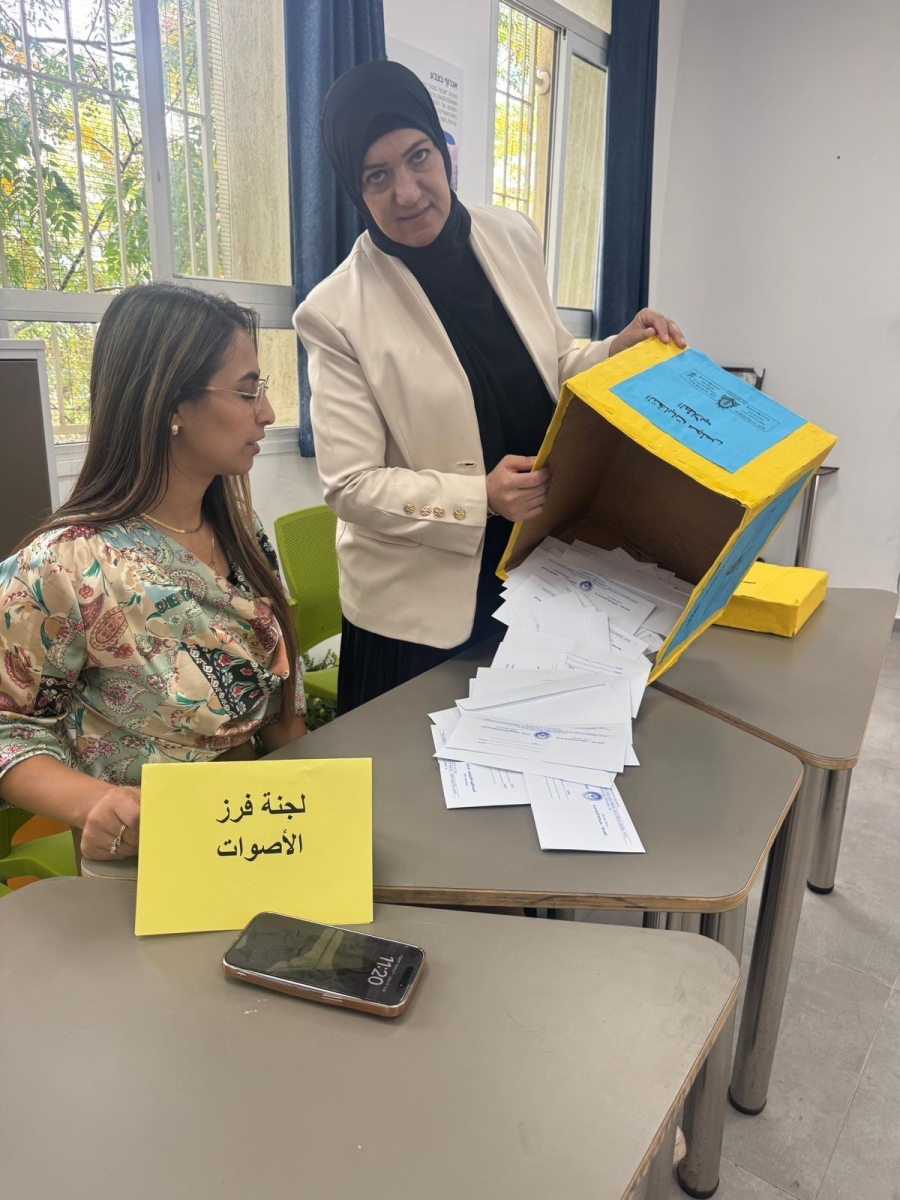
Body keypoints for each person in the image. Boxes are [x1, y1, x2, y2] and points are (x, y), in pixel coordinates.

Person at [295, 60, 686, 714]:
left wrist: (614, 352)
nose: (408, 191)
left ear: (442, 149)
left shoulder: (510, 235)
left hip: (540, 558)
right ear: (354, 190)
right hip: (422, 612)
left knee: (541, 745)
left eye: (418, 156)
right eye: (377, 175)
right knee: (417, 772)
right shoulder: (335, 312)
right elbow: (351, 485)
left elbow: (552, 363)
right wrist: (479, 497)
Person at [0, 284, 307, 861]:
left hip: (263, 824)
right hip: (150, 848)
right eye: (248, 392)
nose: (267, 413)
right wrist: (95, 804)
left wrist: (318, 794)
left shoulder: (241, 532)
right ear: (171, 406)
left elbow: (276, 698)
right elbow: (8, 728)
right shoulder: (67, 564)